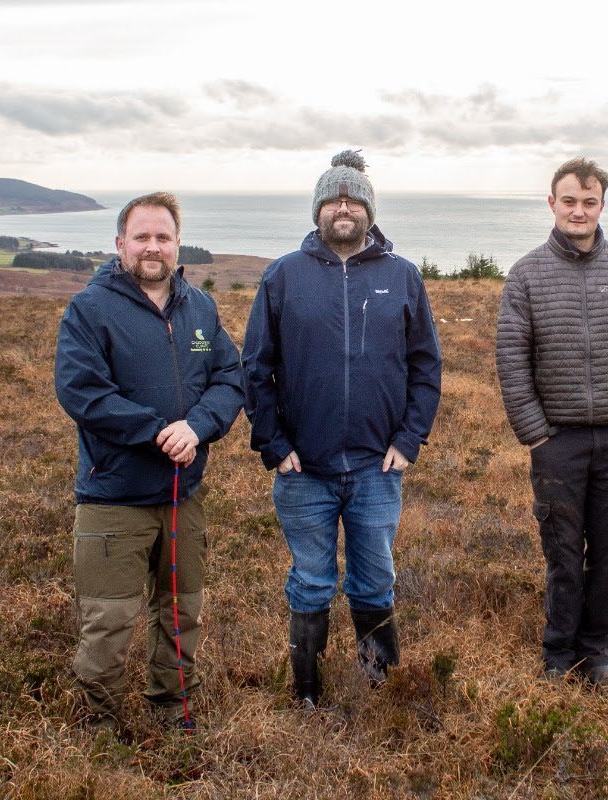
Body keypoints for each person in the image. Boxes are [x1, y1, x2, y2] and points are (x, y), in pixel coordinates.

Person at [242, 150, 442, 708]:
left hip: (378, 468)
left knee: (374, 580)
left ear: (369, 209)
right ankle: (308, 692)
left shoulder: (402, 277)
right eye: (333, 198)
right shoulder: (284, 276)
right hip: (303, 469)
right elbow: (254, 368)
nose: (344, 207)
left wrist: (408, 441)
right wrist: (275, 446)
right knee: (310, 581)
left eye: (354, 198)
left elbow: (426, 366)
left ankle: (380, 690)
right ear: (318, 211)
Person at [54, 191, 243, 728]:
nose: (153, 247)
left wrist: (200, 426)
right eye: (142, 237)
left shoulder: (200, 307)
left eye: (163, 237)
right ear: (120, 244)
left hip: (185, 498)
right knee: (108, 623)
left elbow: (231, 378)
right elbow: (81, 391)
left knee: (181, 614)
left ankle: (173, 711)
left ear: (178, 243)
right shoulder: (90, 310)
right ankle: (99, 728)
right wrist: (160, 433)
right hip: (114, 499)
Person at [495, 158, 608, 692]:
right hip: (558, 442)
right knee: (564, 553)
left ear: (601, 205)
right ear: (552, 204)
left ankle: (595, 656)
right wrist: (536, 433)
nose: (578, 211)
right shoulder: (526, 274)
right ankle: (557, 654)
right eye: (569, 201)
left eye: (588, 202)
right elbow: (511, 356)